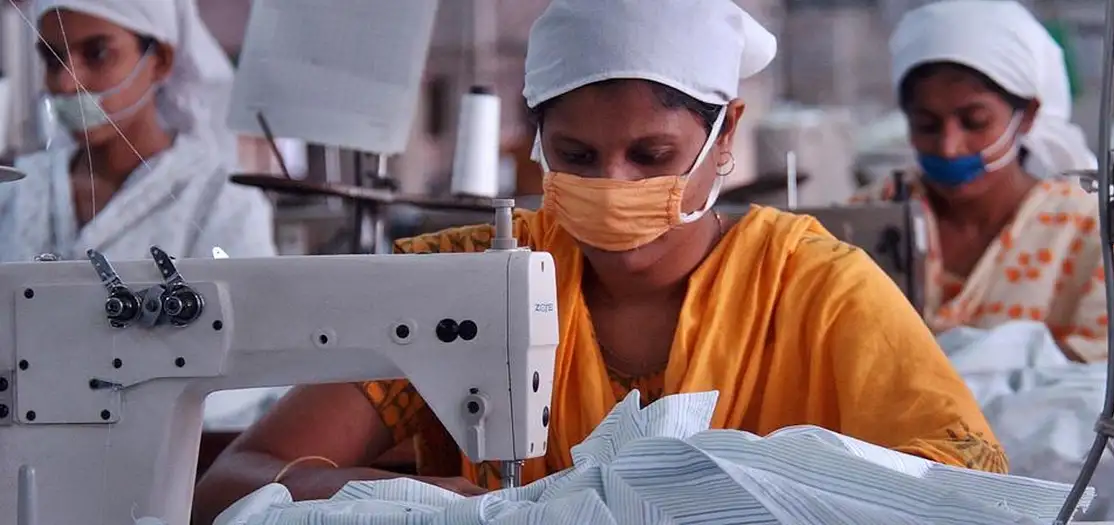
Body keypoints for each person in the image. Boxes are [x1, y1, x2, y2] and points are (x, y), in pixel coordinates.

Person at [193, 0, 1005, 521]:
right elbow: (232, 480)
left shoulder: (819, 289)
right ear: (535, 139)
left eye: (652, 156)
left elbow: (970, 486)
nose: (612, 187)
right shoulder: (469, 279)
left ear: (725, 134)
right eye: (576, 155)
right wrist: (422, 499)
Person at [851, 0, 1114, 362]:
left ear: (1028, 116)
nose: (949, 146)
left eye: (975, 121)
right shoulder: (864, 219)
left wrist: (1032, 361)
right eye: (926, 124)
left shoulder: (1080, 228)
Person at [0, 0, 276, 263]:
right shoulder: (17, 189)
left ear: (160, 61)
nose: (66, 83)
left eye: (97, 54)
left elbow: (247, 296)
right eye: (53, 59)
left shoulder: (221, 200)